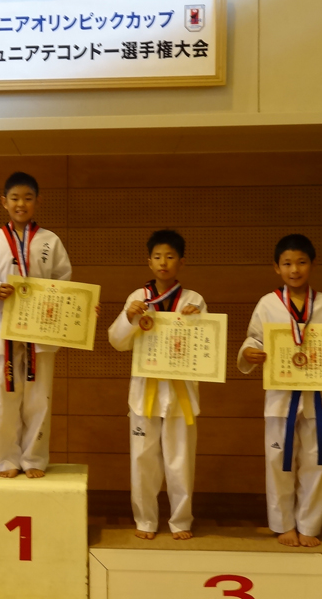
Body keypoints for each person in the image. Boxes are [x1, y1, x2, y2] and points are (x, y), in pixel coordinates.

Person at [238, 234, 322, 548]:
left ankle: (309, 525)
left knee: (317, 461)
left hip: (318, 395)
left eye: (301, 262)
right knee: (278, 461)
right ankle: (283, 524)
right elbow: (254, 339)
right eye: (287, 263)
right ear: (276, 267)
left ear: (312, 264)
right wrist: (248, 352)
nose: (294, 269)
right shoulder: (268, 303)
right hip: (281, 395)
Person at [0, 172, 71, 479]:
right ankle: (7, 460)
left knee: (39, 400)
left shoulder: (50, 241)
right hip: (4, 330)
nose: (21, 204)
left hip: (40, 331)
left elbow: (64, 280)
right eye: (15, 198)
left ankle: (35, 458)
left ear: (37, 202)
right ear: (4, 202)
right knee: (5, 399)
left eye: (28, 198)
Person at [108, 230, 205, 541]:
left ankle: (181, 521)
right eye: (158, 256)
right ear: (149, 262)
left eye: (170, 256)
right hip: (144, 394)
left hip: (181, 394)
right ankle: (145, 519)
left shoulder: (193, 300)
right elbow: (117, 342)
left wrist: (196, 321)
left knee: (180, 462)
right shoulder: (138, 298)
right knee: (143, 461)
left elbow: (204, 348)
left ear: (181, 262)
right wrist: (129, 317)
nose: (164, 262)